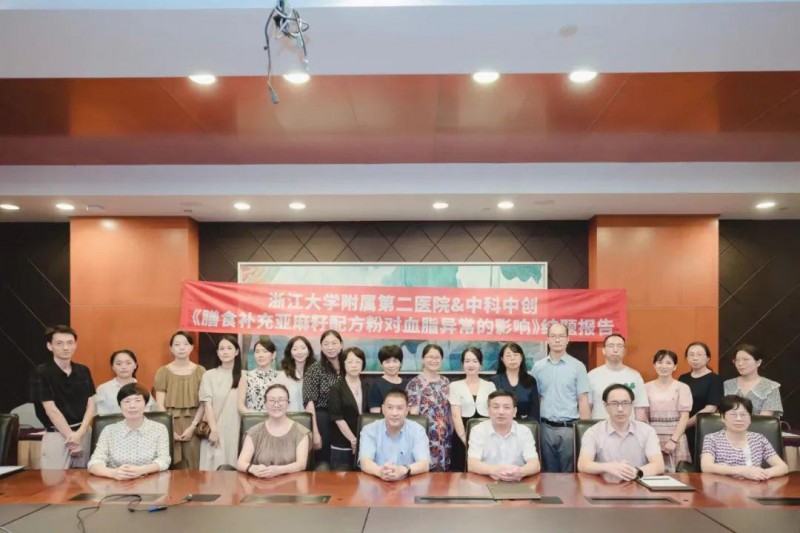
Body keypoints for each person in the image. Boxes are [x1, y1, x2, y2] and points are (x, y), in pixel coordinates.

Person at [30, 325, 96, 469]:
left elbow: (91, 404)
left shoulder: (83, 370)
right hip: (57, 435)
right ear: (50, 346)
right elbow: (51, 410)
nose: (66, 347)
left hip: (84, 433)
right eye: (59, 343)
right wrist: (72, 439)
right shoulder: (41, 372)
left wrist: (80, 433)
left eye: (70, 343)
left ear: (75, 345)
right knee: (54, 481)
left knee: (83, 480)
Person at [533, 322, 591, 473]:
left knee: (569, 473)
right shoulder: (538, 367)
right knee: (546, 473)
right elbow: (536, 398)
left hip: (569, 429)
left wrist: (585, 431)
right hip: (545, 428)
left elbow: (583, 399)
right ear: (547, 339)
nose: (557, 340)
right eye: (553, 336)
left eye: (561, 336)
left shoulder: (578, 366)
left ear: (567, 339)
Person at [577, 384, 665, 482]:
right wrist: (608, 467)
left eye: (625, 403)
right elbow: (583, 465)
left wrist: (636, 472)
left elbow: (659, 465)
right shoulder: (593, 432)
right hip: (604, 486)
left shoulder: (647, 431)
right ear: (605, 406)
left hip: (638, 485)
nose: (620, 409)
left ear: (632, 404)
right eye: (614, 403)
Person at [88, 384, 170, 479]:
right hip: (116, 482)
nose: (132, 406)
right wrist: (113, 473)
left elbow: (164, 460)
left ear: (146, 404)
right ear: (120, 405)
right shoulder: (108, 430)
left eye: (138, 400)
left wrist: (141, 470)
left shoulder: (159, 429)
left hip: (150, 481)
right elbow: (94, 463)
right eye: (127, 401)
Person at [700, 395, 788, 480]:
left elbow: (782, 467)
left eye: (743, 414)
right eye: (733, 415)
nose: (739, 419)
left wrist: (761, 474)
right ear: (723, 417)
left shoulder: (759, 439)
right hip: (724, 486)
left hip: (754, 486)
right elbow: (706, 466)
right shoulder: (712, 439)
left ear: (750, 419)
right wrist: (742, 471)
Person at [154, 331, 206, 470]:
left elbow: (204, 403)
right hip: (169, 423)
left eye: (186, 344)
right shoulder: (162, 372)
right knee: (171, 465)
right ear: (171, 348)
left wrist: (193, 427)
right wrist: (170, 428)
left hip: (194, 423)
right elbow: (160, 404)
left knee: (194, 465)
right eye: (177, 344)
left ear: (192, 347)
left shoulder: (201, 371)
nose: (182, 347)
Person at [236, 384, 311, 478]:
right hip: (260, 482)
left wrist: (279, 470)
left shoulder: (301, 432)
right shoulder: (254, 432)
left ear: (288, 404)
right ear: (265, 404)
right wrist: (253, 468)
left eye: (281, 400)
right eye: (271, 400)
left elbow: (301, 464)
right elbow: (241, 463)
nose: (276, 404)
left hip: (291, 483)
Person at [467, 390, 540, 480]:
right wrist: (494, 471)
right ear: (488, 410)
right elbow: (472, 464)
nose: (501, 412)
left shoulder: (524, 431)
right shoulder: (478, 431)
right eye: (496, 407)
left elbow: (535, 464)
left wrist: (520, 472)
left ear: (514, 411)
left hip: (517, 481)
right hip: (486, 480)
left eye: (507, 407)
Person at [359, 389, 430, 481]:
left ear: (407, 410)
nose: (394, 413)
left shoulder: (418, 430)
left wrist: (403, 470)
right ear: (383, 409)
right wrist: (380, 472)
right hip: (377, 482)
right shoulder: (369, 430)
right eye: (390, 407)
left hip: (408, 483)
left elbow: (424, 464)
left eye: (399, 408)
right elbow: (365, 462)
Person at [198, 335, 242, 471]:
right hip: (215, 426)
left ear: (237, 351)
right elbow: (207, 404)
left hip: (236, 427)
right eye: (221, 349)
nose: (225, 352)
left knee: (233, 462)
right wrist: (214, 429)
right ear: (217, 352)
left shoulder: (244, 375)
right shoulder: (209, 375)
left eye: (229, 348)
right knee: (213, 466)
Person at [644, 350, 693, 471]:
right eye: (660, 362)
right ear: (654, 365)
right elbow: (644, 416)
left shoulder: (682, 387)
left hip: (676, 438)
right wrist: (651, 440)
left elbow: (684, 416)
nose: (663, 366)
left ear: (675, 366)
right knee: (654, 474)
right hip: (653, 438)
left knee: (680, 476)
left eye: (668, 363)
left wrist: (673, 440)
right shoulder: (646, 387)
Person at [407, 343, 452, 471]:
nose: (434, 360)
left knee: (444, 474)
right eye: (430, 357)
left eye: (437, 357)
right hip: (424, 435)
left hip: (445, 437)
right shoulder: (415, 383)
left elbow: (450, 411)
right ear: (423, 359)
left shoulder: (446, 382)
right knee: (424, 471)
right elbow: (413, 414)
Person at [449, 347, 496, 472]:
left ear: (480, 365)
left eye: (475, 361)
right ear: (462, 365)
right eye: (467, 361)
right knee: (460, 472)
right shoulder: (454, 386)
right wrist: (464, 438)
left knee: (485, 470)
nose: (471, 364)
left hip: (485, 434)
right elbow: (455, 415)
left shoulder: (490, 386)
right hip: (462, 433)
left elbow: (493, 412)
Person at [302, 329, 344, 464]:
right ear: (321, 346)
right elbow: (309, 402)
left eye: (334, 343)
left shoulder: (348, 366)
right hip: (323, 420)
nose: (330, 347)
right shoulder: (314, 369)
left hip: (344, 419)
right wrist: (315, 432)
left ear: (341, 344)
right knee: (323, 462)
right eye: (326, 344)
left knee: (343, 462)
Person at [587, 334, 648, 421]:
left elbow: (640, 408)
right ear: (603, 350)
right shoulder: (591, 376)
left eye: (619, 346)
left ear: (624, 351)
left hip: (628, 428)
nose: (615, 350)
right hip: (599, 427)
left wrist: (640, 428)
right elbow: (587, 407)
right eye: (611, 346)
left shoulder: (635, 376)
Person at [678, 341, 724, 457]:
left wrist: (684, 425)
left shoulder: (715, 379)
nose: (695, 358)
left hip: (702, 429)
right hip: (681, 428)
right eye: (691, 354)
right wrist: (680, 426)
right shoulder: (683, 378)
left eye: (699, 354)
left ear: (708, 358)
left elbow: (711, 408)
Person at [328, 347, 370, 471]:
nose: (354, 365)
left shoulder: (368, 385)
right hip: (342, 443)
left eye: (358, 362)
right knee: (342, 481)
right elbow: (337, 417)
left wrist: (362, 440)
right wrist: (353, 440)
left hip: (365, 442)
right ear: (343, 364)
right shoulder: (336, 388)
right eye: (350, 362)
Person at [723, 344, 783, 417]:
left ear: (758, 362)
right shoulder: (727, 384)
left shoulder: (771, 387)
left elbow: (765, 419)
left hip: (759, 424)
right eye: (737, 360)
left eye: (745, 359)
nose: (740, 363)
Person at [95, 350, 156, 415]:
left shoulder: (143, 389)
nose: (124, 367)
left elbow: (153, 414)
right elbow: (101, 416)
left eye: (128, 363)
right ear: (113, 367)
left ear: (135, 365)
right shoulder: (103, 389)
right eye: (119, 364)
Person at [490, 342, 539, 421]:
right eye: (508, 355)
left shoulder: (530, 381)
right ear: (502, 359)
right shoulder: (494, 381)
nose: (512, 358)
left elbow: (535, 411)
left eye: (516, 355)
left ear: (521, 357)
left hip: (526, 424)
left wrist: (530, 425)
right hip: (500, 423)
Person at [238, 338, 279, 413]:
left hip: (275, 418)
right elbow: (240, 406)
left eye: (265, 351)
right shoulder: (246, 376)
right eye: (257, 352)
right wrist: (254, 416)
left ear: (273, 355)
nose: (260, 355)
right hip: (253, 418)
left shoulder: (280, 377)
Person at [275, 336, 314, 413]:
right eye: (295, 349)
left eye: (303, 348)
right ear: (290, 353)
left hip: (313, 418)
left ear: (309, 351)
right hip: (288, 417)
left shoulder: (316, 374)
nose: (299, 352)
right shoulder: (282, 377)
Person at [368, 344, 406, 413]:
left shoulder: (408, 384)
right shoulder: (376, 385)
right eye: (387, 362)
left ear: (400, 363)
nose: (391, 365)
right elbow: (374, 414)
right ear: (381, 364)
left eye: (395, 361)